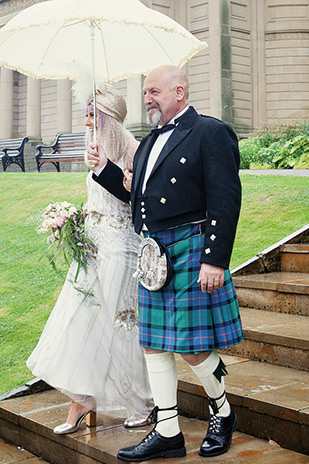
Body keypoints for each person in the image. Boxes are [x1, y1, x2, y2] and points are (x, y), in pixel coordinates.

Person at [87, 65, 243, 461]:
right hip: (155, 253)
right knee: (154, 345)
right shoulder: (151, 141)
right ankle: (168, 432)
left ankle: (222, 411)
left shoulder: (210, 132)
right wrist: (103, 168)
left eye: (153, 91)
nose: (147, 98)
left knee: (192, 347)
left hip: (192, 247)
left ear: (179, 91)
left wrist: (215, 259)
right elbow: (135, 198)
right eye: (144, 92)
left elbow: (226, 198)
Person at [27, 84, 153, 435]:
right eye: (85, 114)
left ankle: (142, 401)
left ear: (109, 117)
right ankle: (83, 398)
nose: (86, 122)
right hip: (92, 246)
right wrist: (76, 217)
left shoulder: (132, 149)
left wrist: (105, 168)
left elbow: (135, 198)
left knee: (118, 322)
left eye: (92, 115)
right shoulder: (95, 147)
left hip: (120, 247)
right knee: (80, 317)